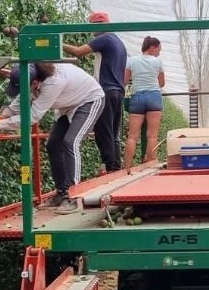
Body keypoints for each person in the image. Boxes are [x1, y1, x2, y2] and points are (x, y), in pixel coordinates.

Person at [0, 62, 104, 215]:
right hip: (67, 106)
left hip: (89, 100)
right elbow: (17, 105)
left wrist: (0, 125)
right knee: (53, 145)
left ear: (34, 83)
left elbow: (32, 117)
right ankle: (61, 194)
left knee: (70, 142)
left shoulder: (53, 82)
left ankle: (74, 196)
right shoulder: (32, 79)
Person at [63, 11, 126, 173]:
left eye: (92, 26)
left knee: (103, 131)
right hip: (118, 92)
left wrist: (55, 43)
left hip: (105, 90)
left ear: (101, 25)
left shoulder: (105, 38)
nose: (91, 31)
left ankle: (110, 167)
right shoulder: (119, 42)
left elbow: (78, 52)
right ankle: (116, 167)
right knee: (113, 133)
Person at [123, 36, 166, 168]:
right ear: (152, 48)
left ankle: (127, 168)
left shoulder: (132, 60)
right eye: (158, 49)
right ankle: (151, 166)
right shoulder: (158, 62)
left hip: (137, 97)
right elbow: (162, 83)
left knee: (132, 136)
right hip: (154, 96)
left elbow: (125, 81)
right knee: (152, 135)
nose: (159, 52)